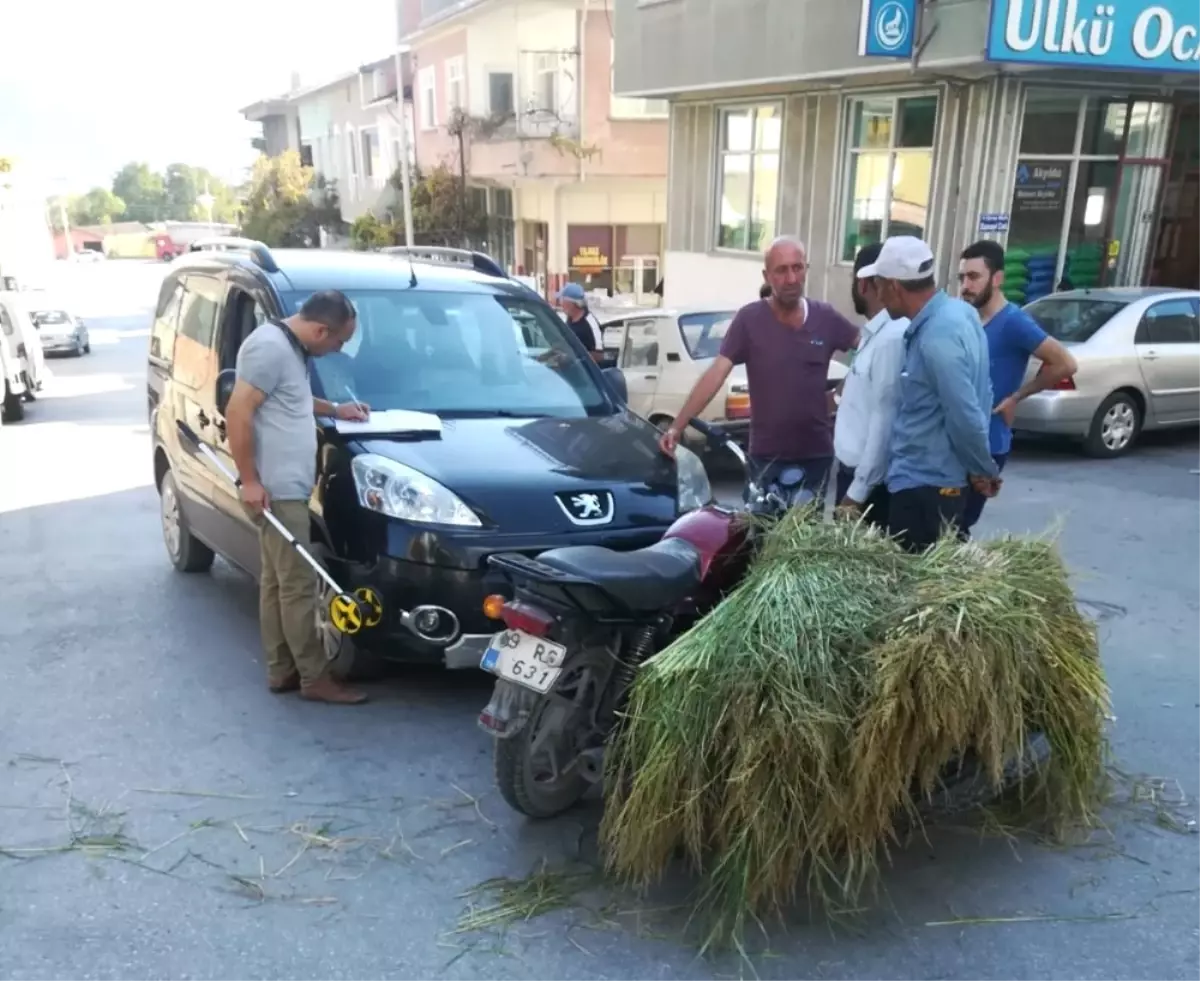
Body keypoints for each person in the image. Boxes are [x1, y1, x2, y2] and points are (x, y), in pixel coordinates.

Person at [225, 290, 372, 705]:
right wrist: (250, 480)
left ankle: (282, 670)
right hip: (276, 488)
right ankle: (314, 676)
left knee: (277, 583)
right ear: (321, 329)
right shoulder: (270, 348)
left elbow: (289, 399)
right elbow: (238, 411)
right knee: (299, 586)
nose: (337, 349)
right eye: (339, 342)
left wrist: (334, 409)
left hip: (280, 486)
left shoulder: (288, 348)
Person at [658, 236, 858, 495]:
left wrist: (840, 395)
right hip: (766, 458)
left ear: (806, 269)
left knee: (808, 535)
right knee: (763, 532)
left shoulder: (826, 317)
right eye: (781, 270)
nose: (791, 278)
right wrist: (677, 426)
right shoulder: (749, 320)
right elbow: (716, 373)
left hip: (815, 456)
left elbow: (870, 353)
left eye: (797, 268)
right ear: (767, 276)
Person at [857, 236, 1000, 552]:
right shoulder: (959, 314)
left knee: (913, 589)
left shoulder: (936, 337)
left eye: (879, 285)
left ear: (894, 286)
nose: (877, 295)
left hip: (927, 489)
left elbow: (964, 413)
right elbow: (983, 392)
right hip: (936, 485)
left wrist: (981, 468)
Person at [958, 241, 1077, 538]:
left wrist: (1016, 397)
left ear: (997, 278)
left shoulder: (1014, 322)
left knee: (957, 527)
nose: (965, 286)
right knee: (941, 524)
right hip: (959, 439)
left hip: (989, 444)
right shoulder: (966, 318)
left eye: (974, 277)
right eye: (962, 278)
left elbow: (1064, 363)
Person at [833, 242, 909, 527]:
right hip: (855, 476)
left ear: (864, 284)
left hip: (868, 488)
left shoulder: (891, 337)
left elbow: (884, 420)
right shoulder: (873, 333)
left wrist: (856, 494)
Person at [556, 282, 604, 361]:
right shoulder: (569, 321)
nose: (561, 304)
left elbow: (599, 355)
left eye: (562, 301)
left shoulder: (590, 322)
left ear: (572, 303)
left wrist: (575, 360)